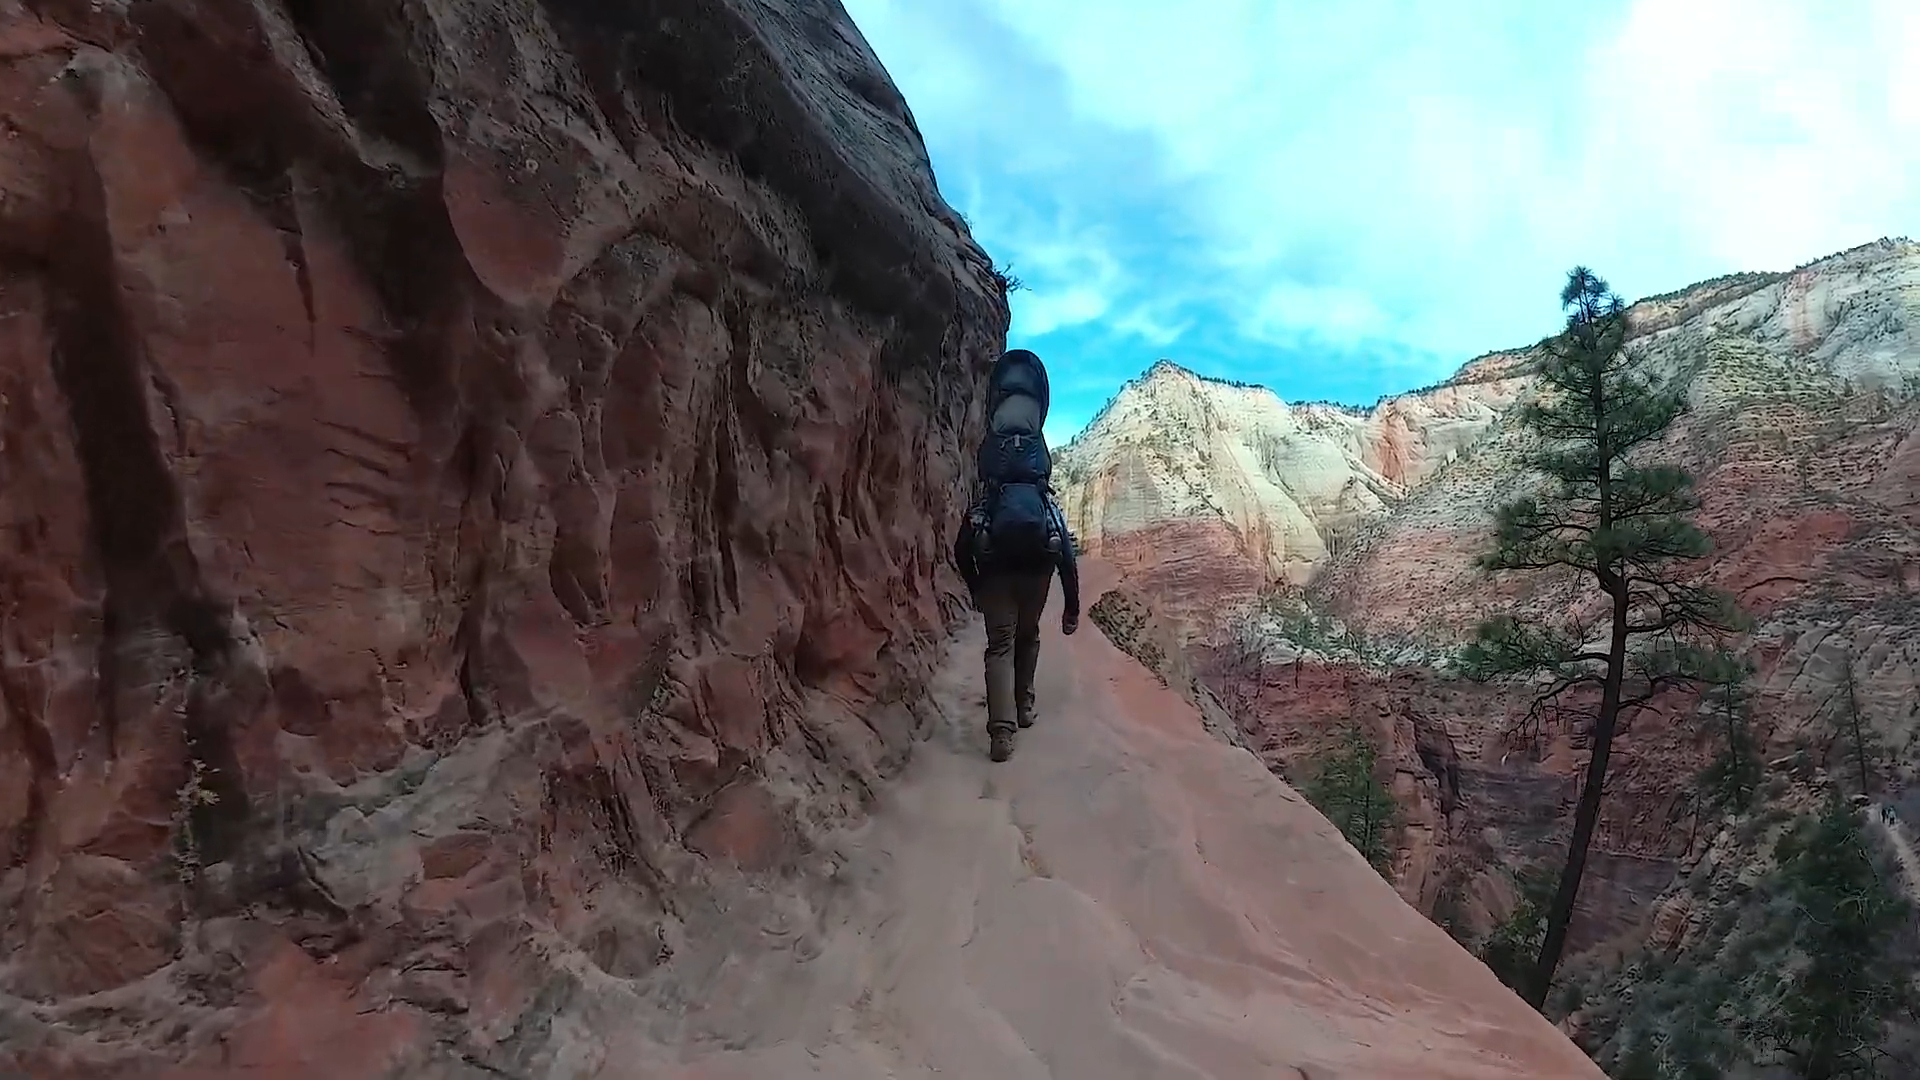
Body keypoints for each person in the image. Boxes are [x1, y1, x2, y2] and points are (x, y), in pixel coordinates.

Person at [952, 349, 1081, 763]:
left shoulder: (989, 486)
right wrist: (1072, 608)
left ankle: (1001, 735)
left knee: (999, 646)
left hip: (994, 571)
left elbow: (959, 547)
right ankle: (1024, 708)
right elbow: (1066, 552)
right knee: (1029, 636)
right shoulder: (1045, 502)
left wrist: (975, 587)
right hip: (1036, 571)